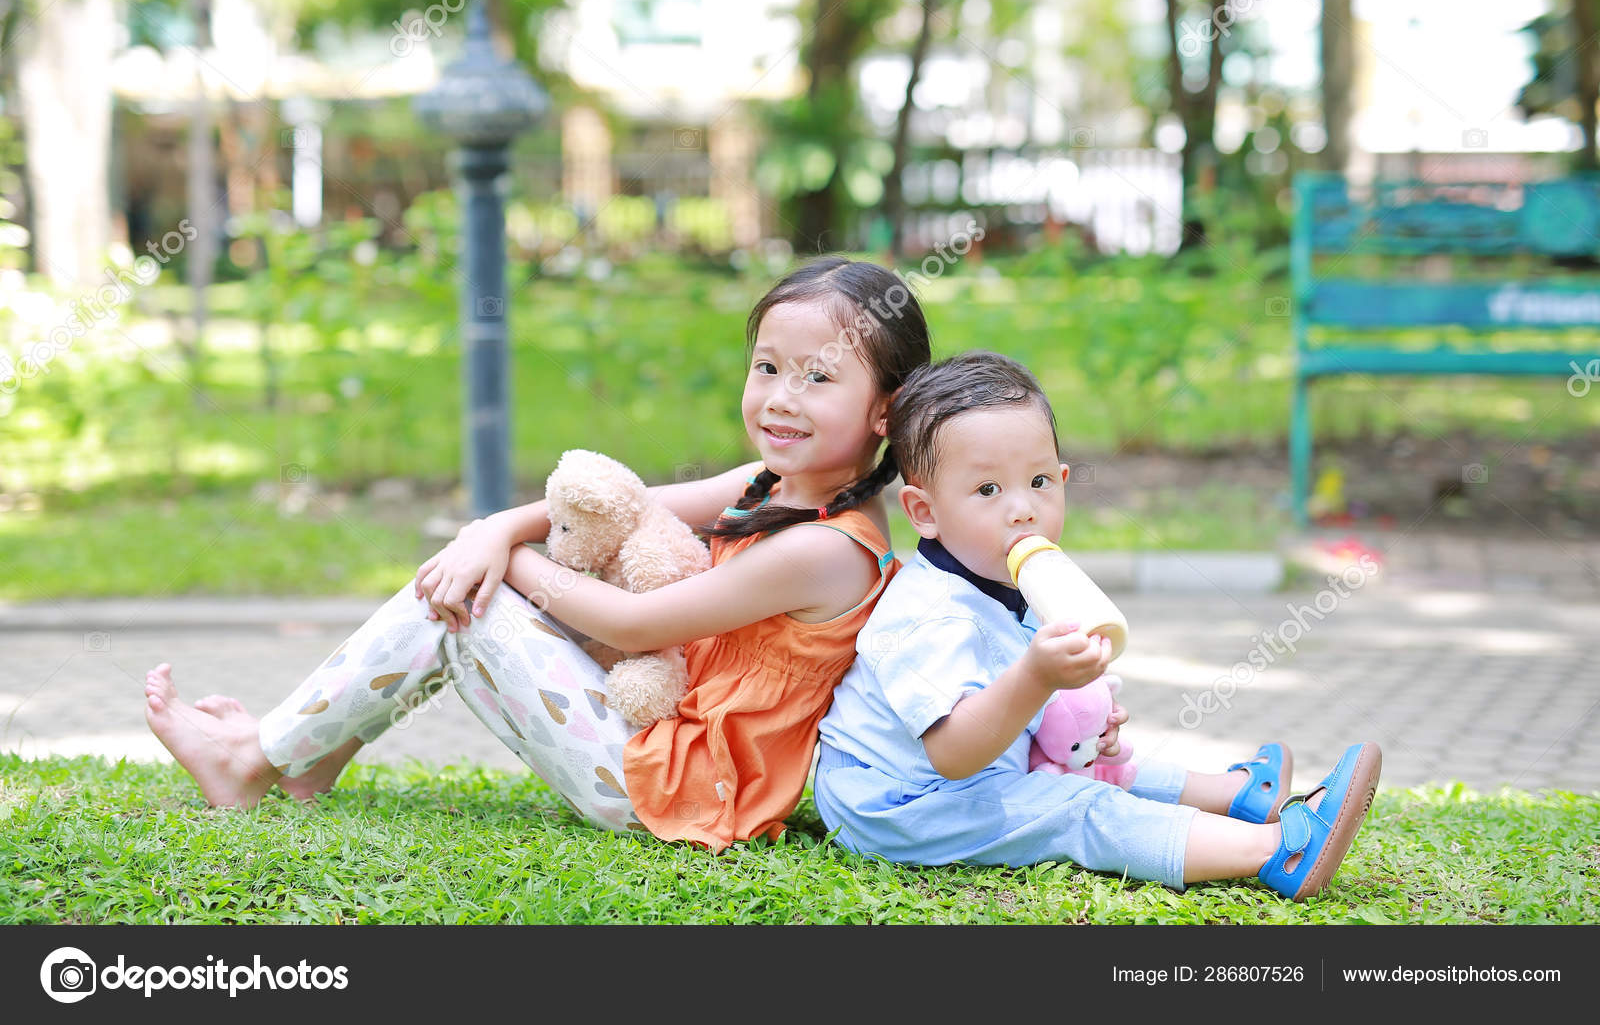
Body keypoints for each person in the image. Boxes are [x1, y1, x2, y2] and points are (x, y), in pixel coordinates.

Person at [144, 256, 932, 851]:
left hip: (670, 787)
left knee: (468, 606)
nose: (780, 396)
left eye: (818, 377)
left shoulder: (831, 547)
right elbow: (626, 504)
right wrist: (494, 527)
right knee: (469, 583)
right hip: (656, 741)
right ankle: (306, 759)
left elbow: (630, 624)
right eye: (766, 367)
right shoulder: (768, 481)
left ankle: (253, 760)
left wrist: (504, 558)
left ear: (884, 410)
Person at [813, 350, 1381, 900]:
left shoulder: (1015, 581)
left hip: (977, 766)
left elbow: (1028, 708)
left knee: (1106, 764)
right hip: (899, 801)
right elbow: (954, 751)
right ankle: (1276, 848)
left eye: (1038, 482)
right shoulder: (929, 615)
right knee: (1078, 806)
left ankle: (1237, 793)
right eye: (987, 490)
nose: (1022, 508)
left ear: (1062, 479)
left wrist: (1090, 724)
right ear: (924, 511)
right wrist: (1037, 678)